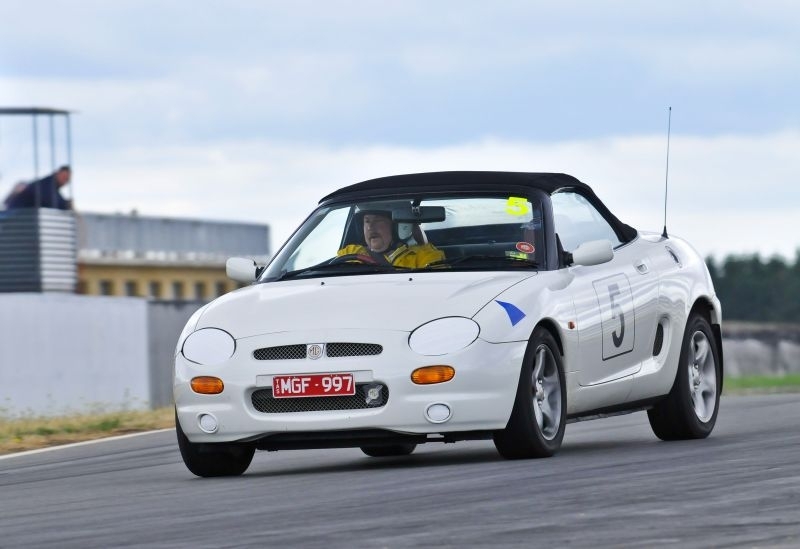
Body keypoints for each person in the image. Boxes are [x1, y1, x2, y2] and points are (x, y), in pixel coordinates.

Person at [337, 210, 444, 268]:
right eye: (367, 221)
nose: (370, 227)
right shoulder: (351, 252)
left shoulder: (424, 256)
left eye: (378, 220)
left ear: (397, 227)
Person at [5, 165, 72, 210]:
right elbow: (50, 200)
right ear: (57, 173)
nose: (64, 181)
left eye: (67, 179)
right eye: (64, 177)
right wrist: (66, 204)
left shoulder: (50, 186)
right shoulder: (46, 184)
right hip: (17, 216)